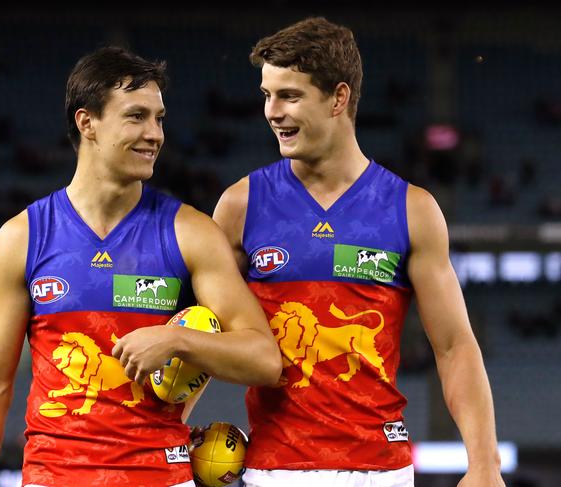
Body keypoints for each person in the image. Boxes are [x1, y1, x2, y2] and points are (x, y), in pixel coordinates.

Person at [0, 46, 282, 487]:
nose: (155, 134)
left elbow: (264, 360)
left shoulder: (191, 232)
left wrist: (178, 339)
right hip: (53, 477)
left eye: (159, 118)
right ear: (86, 122)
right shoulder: (23, 237)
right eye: (136, 116)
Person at [213, 17, 505, 487]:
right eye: (267, 95)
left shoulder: (413, 210)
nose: (272, 111)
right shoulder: (239, 206)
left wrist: (485, 463)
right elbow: (201, 326)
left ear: (339, 97)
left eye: (289, 95)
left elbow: (453, 346)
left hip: (382, 471)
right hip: (272, 470)